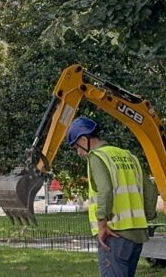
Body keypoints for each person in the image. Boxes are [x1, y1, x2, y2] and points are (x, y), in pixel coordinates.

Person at [66, 117, 158, 277]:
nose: (78, 152)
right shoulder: (129, 156)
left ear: (83, 139)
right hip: (136, 236)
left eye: (76, 147)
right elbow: (150, 189)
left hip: (114, 233)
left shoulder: (97, 157)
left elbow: (105, 190)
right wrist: (147, 216)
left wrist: (102, 224)